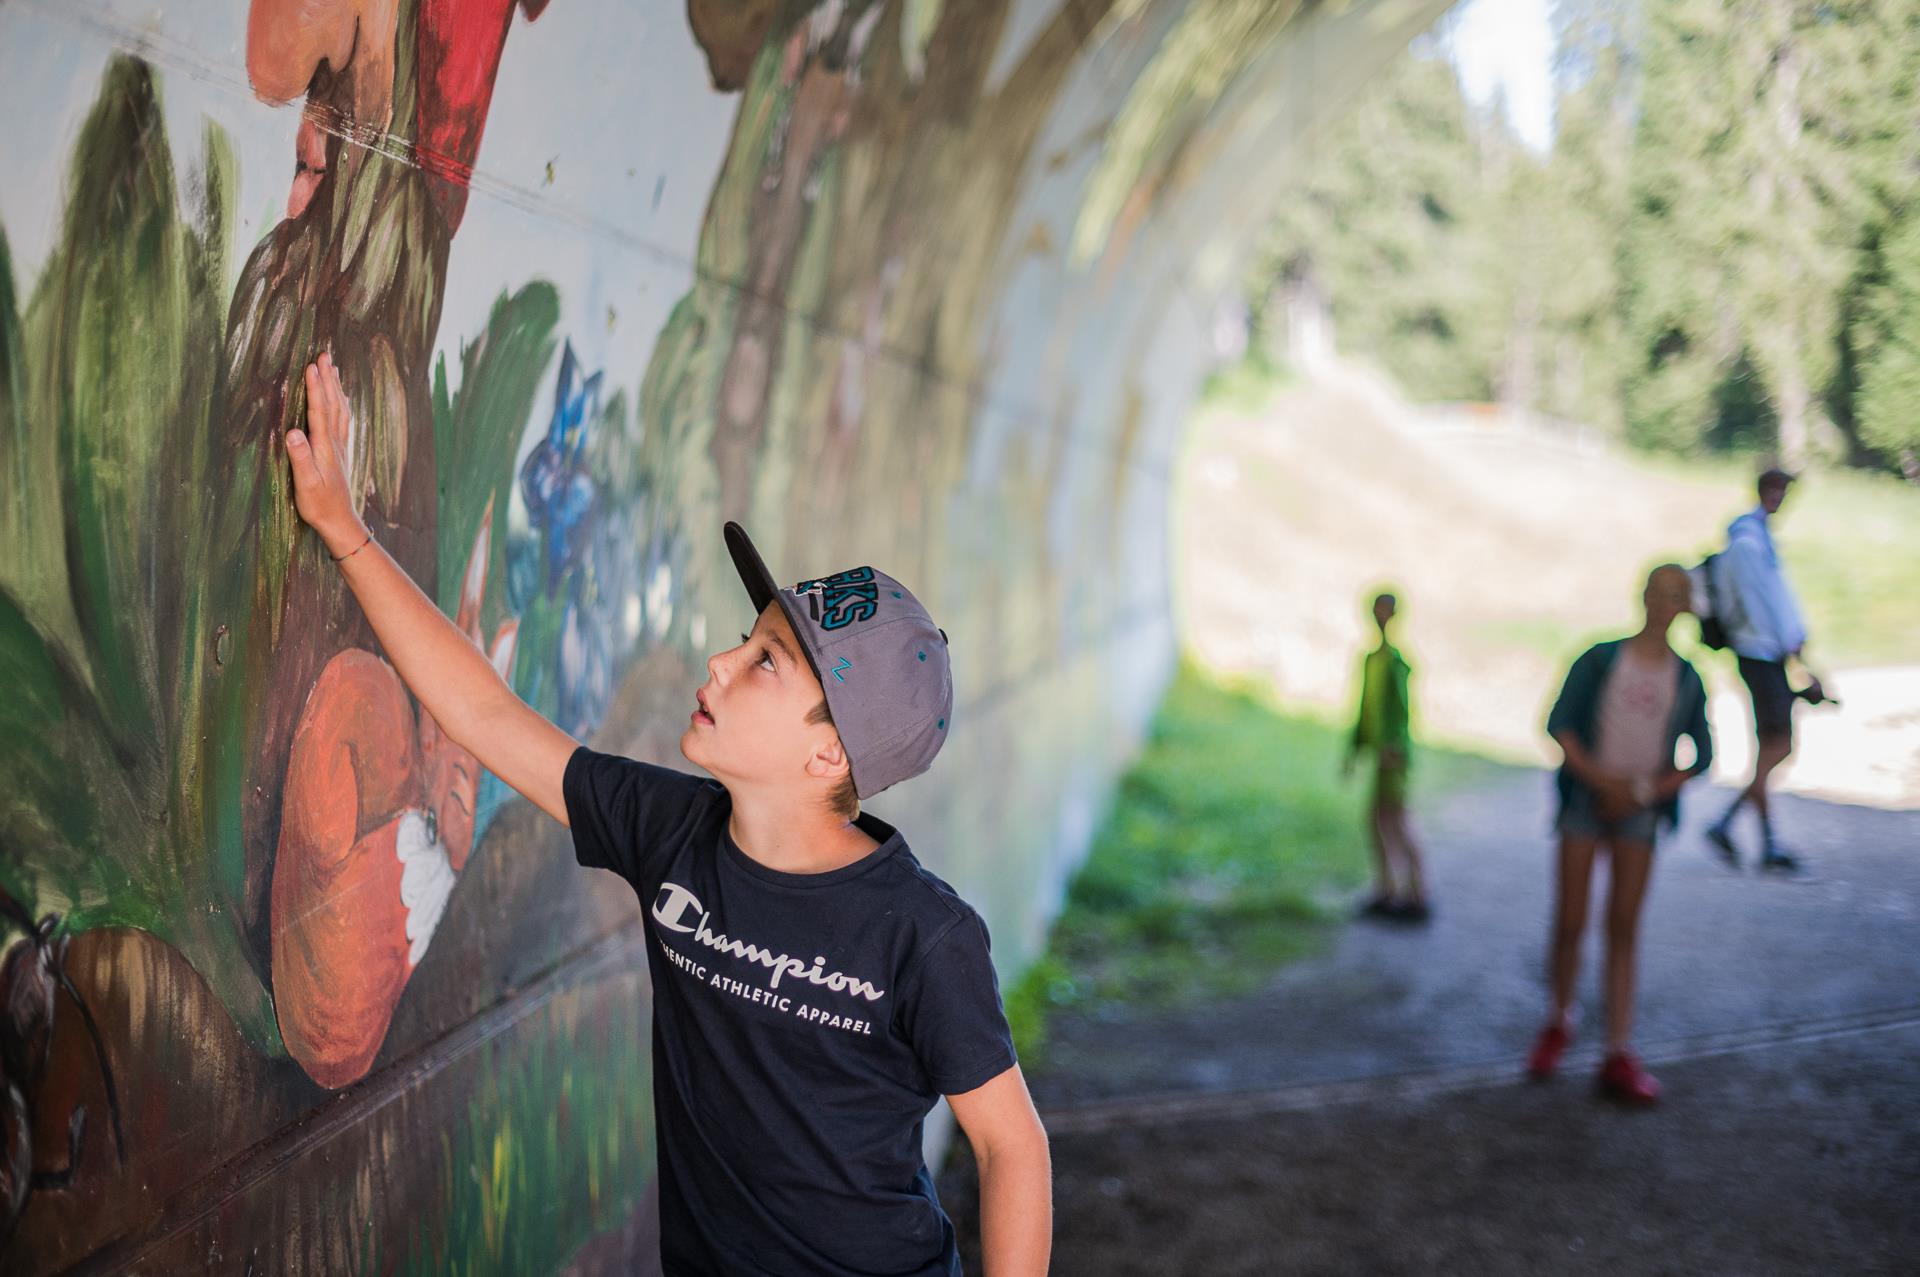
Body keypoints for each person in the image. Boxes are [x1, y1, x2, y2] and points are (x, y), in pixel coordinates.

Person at [284, 354, 1052, 1276]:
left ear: (828, 755)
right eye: (747, 638)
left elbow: (1011, 1145)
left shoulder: (925, 937)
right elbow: (485, 714)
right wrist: (343, 531)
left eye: (767, 661)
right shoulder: (672, 834)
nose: (721, 664)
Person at [1526, 565, 1714, 1105]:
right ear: (1642, 597)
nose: (1663, 603)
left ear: (1685, 606)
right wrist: (1602, 782)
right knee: (1570, 918)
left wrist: (1647, 792)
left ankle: (1618, 1048)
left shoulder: (1686, 676)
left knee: (1623, 927)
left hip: (1641, 812)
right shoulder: (1600, 656)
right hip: (1586, 801)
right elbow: (1559, 723)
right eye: (1656, 592)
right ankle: (1558, 1019)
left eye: (1675, 596)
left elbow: (1701, 754)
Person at [1705, 467, 1827, 872]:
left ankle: (1741, 829)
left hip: (1767, 652)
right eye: (1776, 489)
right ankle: (1753, 835)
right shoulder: (1748, 542)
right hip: (1760, 653)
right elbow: (1761, 606)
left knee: (1772, 749)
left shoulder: (1759, 538)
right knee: (1775, 747)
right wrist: (1791, 652)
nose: (1781, 498)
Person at [1343, 591, 1430, 923]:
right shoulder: (1370, 659)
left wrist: (1395, 747)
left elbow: (1403, 712)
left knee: (1399, 820)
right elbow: (1364, 709)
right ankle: (1389, 887)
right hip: (1380, 756)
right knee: (1377, 822)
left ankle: (1418, 892)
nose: (1380, 617)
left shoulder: (1396, 662)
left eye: (1385, 611)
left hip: (1393, 758)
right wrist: (1355, 749)